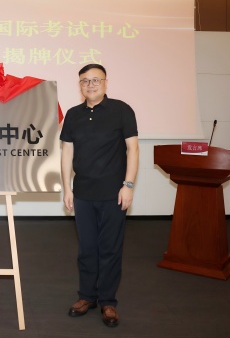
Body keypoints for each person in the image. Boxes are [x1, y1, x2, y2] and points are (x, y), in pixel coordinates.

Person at [60, 63, 139, 328]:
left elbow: (133, 149)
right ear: (79, 85)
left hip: (113, 193)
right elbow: (67, 152)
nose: (90, 85)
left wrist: (128, 185)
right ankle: (86, 297)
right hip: (83, 193)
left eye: (95, 80)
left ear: (105, 82)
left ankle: (107, 301)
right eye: (85, 81)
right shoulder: (73, 115)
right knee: (86, 248)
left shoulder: (122, 110)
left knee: (110, 249)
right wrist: (67, 188)